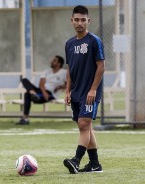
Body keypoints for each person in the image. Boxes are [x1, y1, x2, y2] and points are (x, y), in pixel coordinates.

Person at [63, 5, 105, 174]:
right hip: (76, 91)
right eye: (76, 20)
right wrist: (67, 91)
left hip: (90, 92)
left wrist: (93, 89)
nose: (80, 23)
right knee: (86, 127)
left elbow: (101, 66)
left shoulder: (94, 41)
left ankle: (76, 160)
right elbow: (69, 69)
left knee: (83, 124)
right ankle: (95, 164)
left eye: (83, 20)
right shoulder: (69, 44)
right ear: (72, 21)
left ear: (88, 21)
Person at [16, 55, 67, 125]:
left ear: (59, 63)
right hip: (41, 91)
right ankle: (33, 93)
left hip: (50, 94)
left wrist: (60, 87)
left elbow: (69, 84)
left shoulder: (64, 72)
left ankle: (25, 118)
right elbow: (41, 84)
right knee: (24, 80)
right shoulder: (46, 72)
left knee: (27, 94)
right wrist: (44, 92)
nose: (51, 61)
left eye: (54, 60)